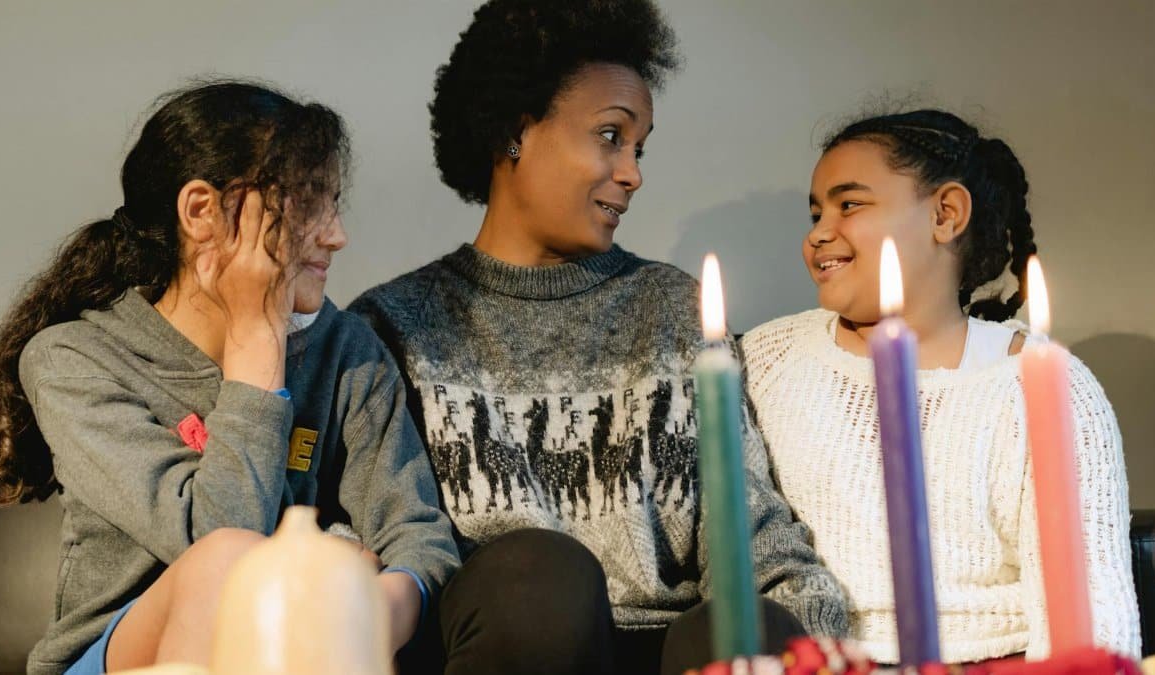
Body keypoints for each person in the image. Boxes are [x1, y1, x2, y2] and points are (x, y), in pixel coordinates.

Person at [349, 3, 848, 674]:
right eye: (611, 136)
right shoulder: (395, 326)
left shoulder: (675, 311)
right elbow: (362, 540)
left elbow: (751, 527)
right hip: (500, 642)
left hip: (665, 652)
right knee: (541, 580)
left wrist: (813, 644)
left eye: (638, 148)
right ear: (515, 131)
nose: (633, 172)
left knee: (747, 621)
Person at [0, 81, 459, 675]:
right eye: (307, 202)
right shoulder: (73, 360)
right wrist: (256, 338)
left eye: (334, 201)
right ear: (202, 211)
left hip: (302, 651)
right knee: (228, 561)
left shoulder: (347, 350)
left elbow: (418, 534)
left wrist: (369, 612)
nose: (336, 234)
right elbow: (216, 540)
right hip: (115, 656)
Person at [740, 109, 1139, 662]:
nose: (818, 233)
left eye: (849, 203)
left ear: (946, 214)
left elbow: (1089, 608)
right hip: (818, 661)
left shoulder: (1041, 384)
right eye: (815, 212)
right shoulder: (765, 360)